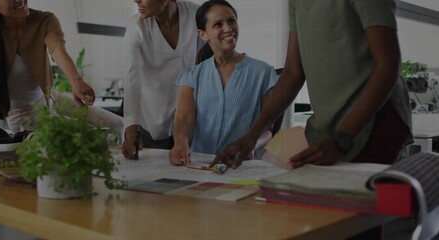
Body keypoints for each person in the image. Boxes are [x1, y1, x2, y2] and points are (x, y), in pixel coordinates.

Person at [211, 0, 412, 170]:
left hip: (373, 122)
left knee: (358, 211)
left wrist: (342, 140)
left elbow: (387, 66)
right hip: (328, 126)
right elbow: (293, 73)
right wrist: (251, 136)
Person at [0, 0, 123, 137]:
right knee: (90, 140)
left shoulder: (43, 20)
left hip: (51, 98)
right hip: (24, 116)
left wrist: (76, 81)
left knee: (120, 125)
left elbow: (57, 48)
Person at [168, 0, 277, 166]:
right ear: (203, 34)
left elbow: (268, 130)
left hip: (241, 166)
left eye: (231, 21)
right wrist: (180, 143)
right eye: (218, 24)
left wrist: (250, 145)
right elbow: (184, 120)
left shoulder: (263, 72)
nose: (228, 28)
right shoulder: (192, 76)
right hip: (200, 165)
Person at [122, 0, 204, 159]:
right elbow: (131, 77)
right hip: (155, 117)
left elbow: (210, 57)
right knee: (157, 176)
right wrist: (131, 132)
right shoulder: (136, 26)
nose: (136, 0)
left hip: (192, 115)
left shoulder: (195, 14)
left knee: (192, 171)